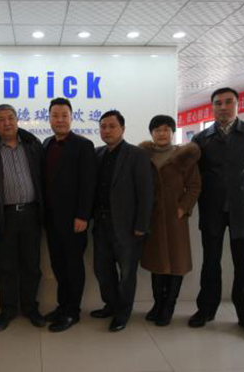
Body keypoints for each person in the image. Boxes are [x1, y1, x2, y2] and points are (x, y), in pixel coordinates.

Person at [189, 87, 244, 343]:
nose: (223, 107)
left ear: (237, 105)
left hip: (243, 208)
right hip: (211, 207)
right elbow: (196, 174)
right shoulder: (202, 138)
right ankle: (206, 310)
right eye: (218, 103)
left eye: (228, 102)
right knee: (210, 262)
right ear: (212, 107)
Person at [0, 104, 46, 332]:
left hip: (32, 213)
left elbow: (43, 178)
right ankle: (7, 309)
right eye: (1, 119)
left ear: (17, 120)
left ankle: (30, 308)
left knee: (31, 265)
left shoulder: (32, 144)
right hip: (4, 216)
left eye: (11, 118)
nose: (7, 123)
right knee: (5, 266)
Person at [90, 110, 153, 332]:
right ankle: (111, 305)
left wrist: (141, 225)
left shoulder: (137, 155)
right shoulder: (97, 154)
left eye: (112, 126)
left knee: (126, 274)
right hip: (101, 225)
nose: (107, 131)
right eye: (103, 127)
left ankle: (123, 313)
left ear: (122, 129)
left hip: (127, 227)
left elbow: (146, 193)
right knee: (102, 270)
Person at [139, 115, 201, 326]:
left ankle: (168, 306)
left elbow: (194, 185)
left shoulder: (183, 156)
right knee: (157, 262)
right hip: (153, 217)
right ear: (151, 133)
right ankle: (158, 304)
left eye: (166, 129)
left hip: (175, 218)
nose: (161, 133)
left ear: (173, 132)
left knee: (177, 262)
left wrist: (183, 208)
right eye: (157, 130)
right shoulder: (144, 156)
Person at [42, 98, 96, 332]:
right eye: (55, 115)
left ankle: (72, 312)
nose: (60, 120)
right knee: (58, 265)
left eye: (64, 115)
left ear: (72, 117)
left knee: (73, 266)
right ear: (49, 118)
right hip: (51, 219)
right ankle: (62, 306)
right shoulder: (46, 143)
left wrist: (83, 215)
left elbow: (88, 184)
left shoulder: (84, 145)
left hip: (74, 220)